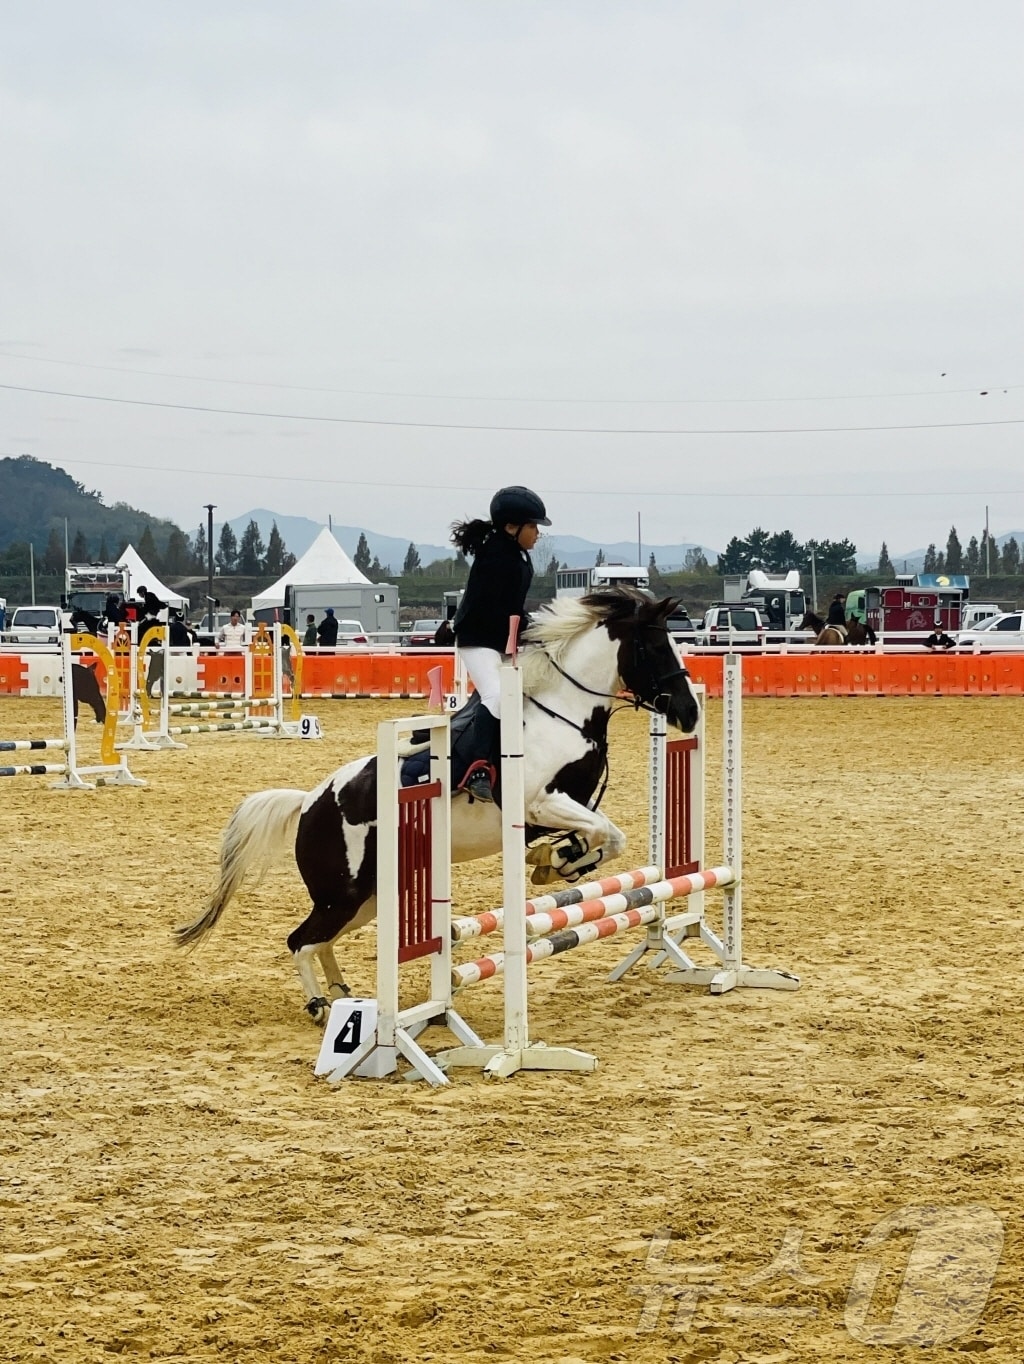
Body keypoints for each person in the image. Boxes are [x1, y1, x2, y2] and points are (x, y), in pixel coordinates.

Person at [451, 485, 550, 802]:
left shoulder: (515, 554)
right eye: (533, 526)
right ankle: (478, 770)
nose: (537, 533)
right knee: (496, 694)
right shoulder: (496, 556)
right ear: (512, 526)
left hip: (499, 638)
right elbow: (494, 609)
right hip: (477, 639)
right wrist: (525, 630)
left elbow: (513, 607)